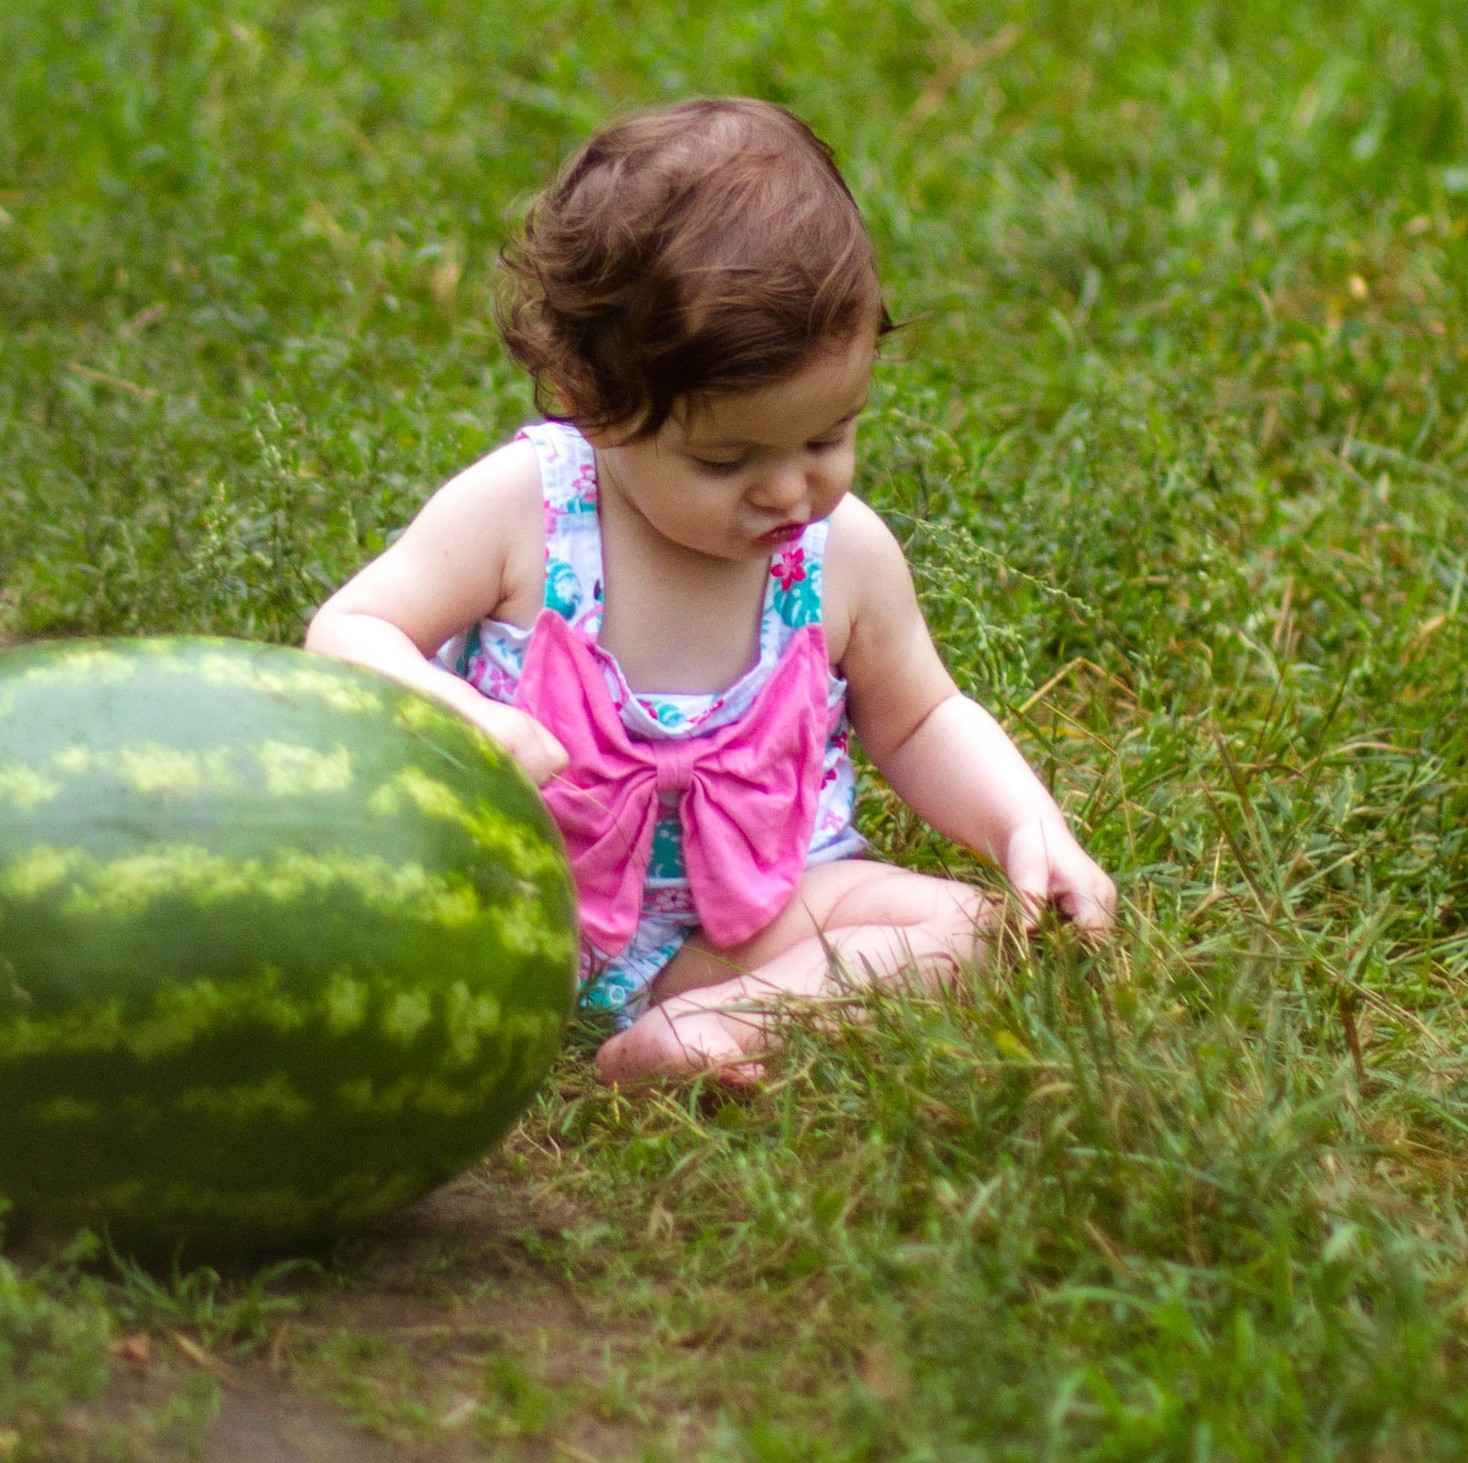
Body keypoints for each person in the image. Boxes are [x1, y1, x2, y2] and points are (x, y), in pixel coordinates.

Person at [306, 97, 1115, 1091]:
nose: (789, 490)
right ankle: (705, 1022)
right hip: (515, 909)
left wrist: (1024, 824)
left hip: (756, 914)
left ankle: (712, 1027)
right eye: (726, 457)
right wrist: (463, 715)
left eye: (826, 438)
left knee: (971, 933)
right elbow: (348, 629)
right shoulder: (529, 511)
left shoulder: (840, 556)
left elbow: (918, 720)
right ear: (597, 409)